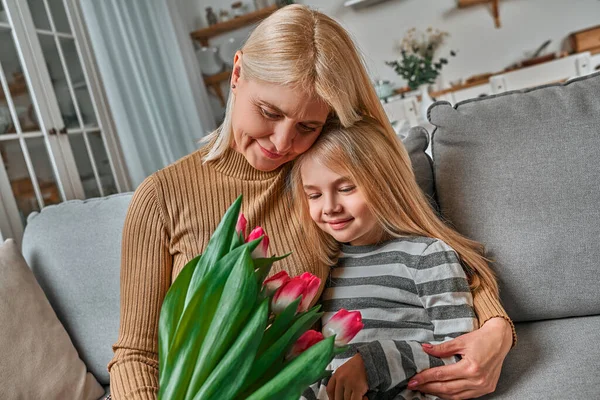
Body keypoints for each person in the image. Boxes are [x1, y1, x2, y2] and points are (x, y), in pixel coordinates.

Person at [108, 5, 515, 400]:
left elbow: (430, 252)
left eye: (307, 126)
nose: (283, 143)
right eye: (268, 111)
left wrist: (496, 329)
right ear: (236, 74)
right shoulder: (161, 197)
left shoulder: (319, 172)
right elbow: (136, 354)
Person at [292, 117, 497, 400]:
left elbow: (458, 355)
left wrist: (373, 363)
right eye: (314, 195)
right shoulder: (328, 266)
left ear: (385, 183)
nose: (329, 207)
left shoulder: (427, 257)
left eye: (346, 188)